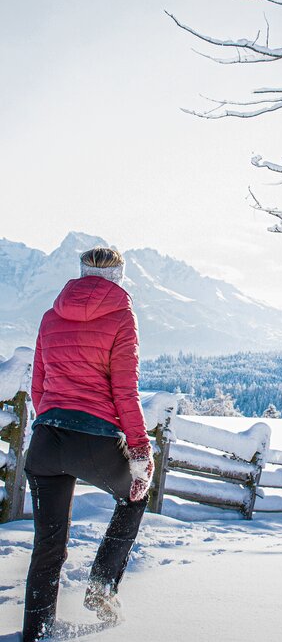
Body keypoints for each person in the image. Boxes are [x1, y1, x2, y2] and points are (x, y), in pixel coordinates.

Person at [23, 247, 154, 642]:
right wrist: (140, 451)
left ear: (81, 273)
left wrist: (44, 427)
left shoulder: (51, 316)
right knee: (134, 498)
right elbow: (125, 392)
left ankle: (35, 631)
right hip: (94, 441)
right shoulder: (121, 317)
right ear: (119, 276)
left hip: (46, 440)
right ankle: (101, 585)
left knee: (47, 546)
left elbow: (38, 386)